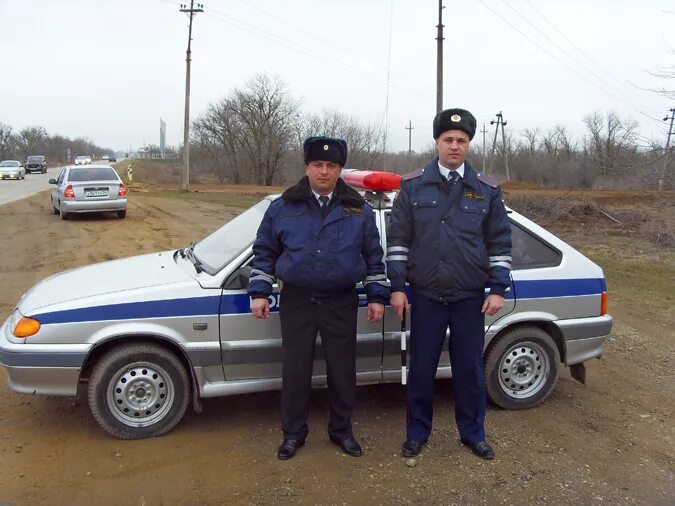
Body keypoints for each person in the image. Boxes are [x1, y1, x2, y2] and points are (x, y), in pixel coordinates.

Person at [248, 136, 388, 461]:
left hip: (341, 300)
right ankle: (293, 434)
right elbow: (265, 251)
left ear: (340, 169)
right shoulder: (283, 207)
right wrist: (259, 291)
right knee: (296, 371)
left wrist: (377, 295)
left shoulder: (358, 209)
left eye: (331, 165)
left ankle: (342, 432)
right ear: (307, 167)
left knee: (343, 371)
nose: (324, 171)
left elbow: (373, 256)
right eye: (317, 164)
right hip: (297, 300)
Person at [387, 108, 512, 460]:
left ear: (468, 144)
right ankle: (416, 432)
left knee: (470, 370)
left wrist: (499, 288)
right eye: (448, 140)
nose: (454, 146)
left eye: (461, 140)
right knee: (422, 368)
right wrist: (398, 286)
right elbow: (398, 240)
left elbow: (500, 244)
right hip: (426, 295)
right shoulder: (412, 186)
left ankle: (473, 434)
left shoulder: (486, 190)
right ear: (437, 142)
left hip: (469, 297)